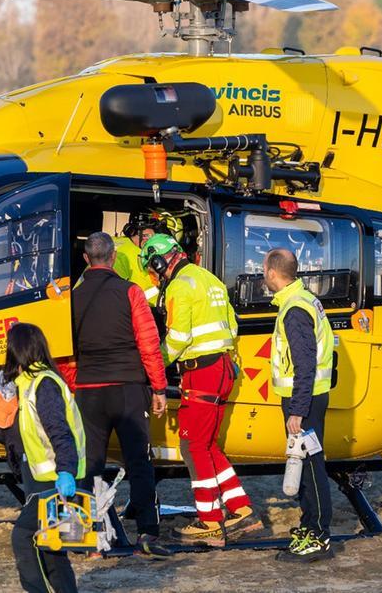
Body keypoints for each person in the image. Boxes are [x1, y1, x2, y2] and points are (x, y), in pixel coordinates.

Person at [139, 233, 260, 546]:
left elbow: (178, 339)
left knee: (192, 446)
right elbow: (232, 326)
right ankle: (241, 508)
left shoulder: (180, 286)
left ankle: (209, 520)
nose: (155, 276)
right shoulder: (209, 279)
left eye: (153, 270)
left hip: (202, 373)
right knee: (207, 444)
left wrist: (153, 364)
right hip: (221, 368)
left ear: (158, 260)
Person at [65, 232, 172, 558]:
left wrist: (75, 384)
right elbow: (148, 343)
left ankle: (95, 542)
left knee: (91, 466)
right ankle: (147, 535)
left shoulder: (72, 298)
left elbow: (64, 353)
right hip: (128, 389)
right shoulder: (131, 292)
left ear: (86, 259)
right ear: (112, 258)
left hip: (89, 393)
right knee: (139, 462)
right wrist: (158, 387)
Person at [0, 323, 85, 593]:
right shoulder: (27, 386)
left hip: (54, 481)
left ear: (16, 352)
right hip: (40, 479)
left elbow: (60, 431)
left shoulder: (44, 385)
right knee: (52, 548)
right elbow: (20, 436)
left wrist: (67, 471)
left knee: (24, 538)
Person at [263, 247, 335, 562]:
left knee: (309, 466)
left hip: (303, 400)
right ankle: (310, 527)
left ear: (271, 273)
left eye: (264, 269)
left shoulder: (294, 309)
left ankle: (318, 535)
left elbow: (304, 364)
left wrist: (297, 410)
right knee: (304, 465)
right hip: (309, 396)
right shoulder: (302, 300)